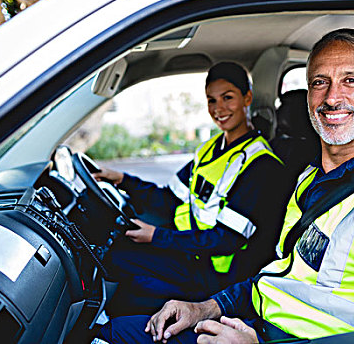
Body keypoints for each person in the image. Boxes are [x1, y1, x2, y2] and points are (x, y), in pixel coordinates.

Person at [96, 28, 354, 343]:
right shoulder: (311, 179)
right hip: (252, 319)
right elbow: (279, 275)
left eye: (351, 81)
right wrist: (205, 308)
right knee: (116, 330)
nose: (332, 97)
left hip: (249, 317)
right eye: (320, 82)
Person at [95, 62, 289, 317]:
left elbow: (226, 240)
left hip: (218, 275)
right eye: (211, 100)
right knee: (118, 253)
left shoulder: (261, 166)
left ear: (247, 98)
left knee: (121, 266)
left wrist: (157, 236)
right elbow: (168, 198)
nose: (219, 109)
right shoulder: (208, 150)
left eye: (227, 98)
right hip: (191, 254)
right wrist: (122, 179)